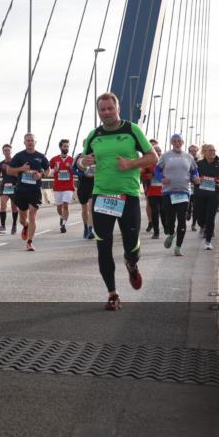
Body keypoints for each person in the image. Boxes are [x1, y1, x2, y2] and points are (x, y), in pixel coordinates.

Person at [77, 92, 158, 311]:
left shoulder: (132, 130)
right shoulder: (94, 135)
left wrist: (131, 163)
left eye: (109, 109)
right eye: (102, 110)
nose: (106, 113)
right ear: (98, 112)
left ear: (117, 108)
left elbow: (153, 158)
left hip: (128, 195)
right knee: (103, 247)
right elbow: (83, 163)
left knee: (131, 245)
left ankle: (132, 265)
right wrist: (83, 162)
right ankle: (112, 294)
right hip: (102, 195)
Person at [5, 133, 50, 251]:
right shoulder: (19, 156)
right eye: (28, 140)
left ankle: (30, 242)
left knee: (32, 214)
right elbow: (9, 170)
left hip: (35, 190)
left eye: (32, 140)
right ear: (24, 142)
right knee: (22, 218)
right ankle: (25, 226)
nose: (30, 142)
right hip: (21, 190)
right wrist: (21, 169)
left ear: (35, 142)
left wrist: (40, 175)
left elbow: (48, 170)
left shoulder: (41, 156)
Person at [156, 134, 197, 255]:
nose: (177, 143)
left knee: (182, 219)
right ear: (171, 143)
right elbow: (157, 170)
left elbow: (194, 170)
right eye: (174, 141)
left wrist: (195, 177)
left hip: (184, 191)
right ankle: (171, 233)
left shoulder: (188, 157)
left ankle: (178, 247)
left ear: (182, 143)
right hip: (168, 191)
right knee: (169, 218)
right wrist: (161, 178)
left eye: (179, 141)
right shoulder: (165, 156)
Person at [193, 144, 219, 250]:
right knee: (200, 216)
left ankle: (208, 241)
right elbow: (192, 176)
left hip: (213, 195)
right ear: (204, 152)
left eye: (214, 150)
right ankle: (202, 225)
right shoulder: (198, 164)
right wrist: (195, 179)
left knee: (210, 217)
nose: (212, 152)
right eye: (210, 150)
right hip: (200, 195)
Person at [49, 139, 76, 234]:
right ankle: (61, 217)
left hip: (68, 186)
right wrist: (54, 171)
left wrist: (71, 167)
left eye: (67, 146)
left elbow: (76, 172)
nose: (66, 148)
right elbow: (47, 171)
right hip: (58, 187)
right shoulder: (54, 159)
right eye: (64, 146)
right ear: (60, 147)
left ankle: (63, 224)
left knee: (65, 205)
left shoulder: (72, 160)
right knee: (59, 207)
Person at [0, 144, 20, 234]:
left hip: (14, 186)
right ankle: (3, 226)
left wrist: (9, 169)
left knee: (14, 207)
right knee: (2, 205)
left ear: (11, 151)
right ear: (3, 152)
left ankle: (14, 225)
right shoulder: (1, 163)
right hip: (5, 186)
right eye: (5, 150)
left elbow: (18, 175)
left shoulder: (15, 162)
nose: (6, 152)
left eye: (8, 150)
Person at [142, 142, 165, 239]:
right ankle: (156, 232)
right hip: (152, 191)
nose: (158, 152)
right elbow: (143, 175)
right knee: (155, 211)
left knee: (163, 211)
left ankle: (166, 227)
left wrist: (154, 175)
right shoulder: (148, 164)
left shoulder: (165, 163)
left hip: (164, 191)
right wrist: (147, 176)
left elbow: (170, 175)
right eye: (156, 151)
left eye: (159, 151)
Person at [187, 144, 200, 231]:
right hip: (187, 185)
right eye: (191, 151)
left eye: (194, 151)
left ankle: (194, 224)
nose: (193, 152)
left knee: (196, 206)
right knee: (187, 203)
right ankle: (188, 212)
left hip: (197, 185)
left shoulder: (200, 161)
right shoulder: (185, 159)